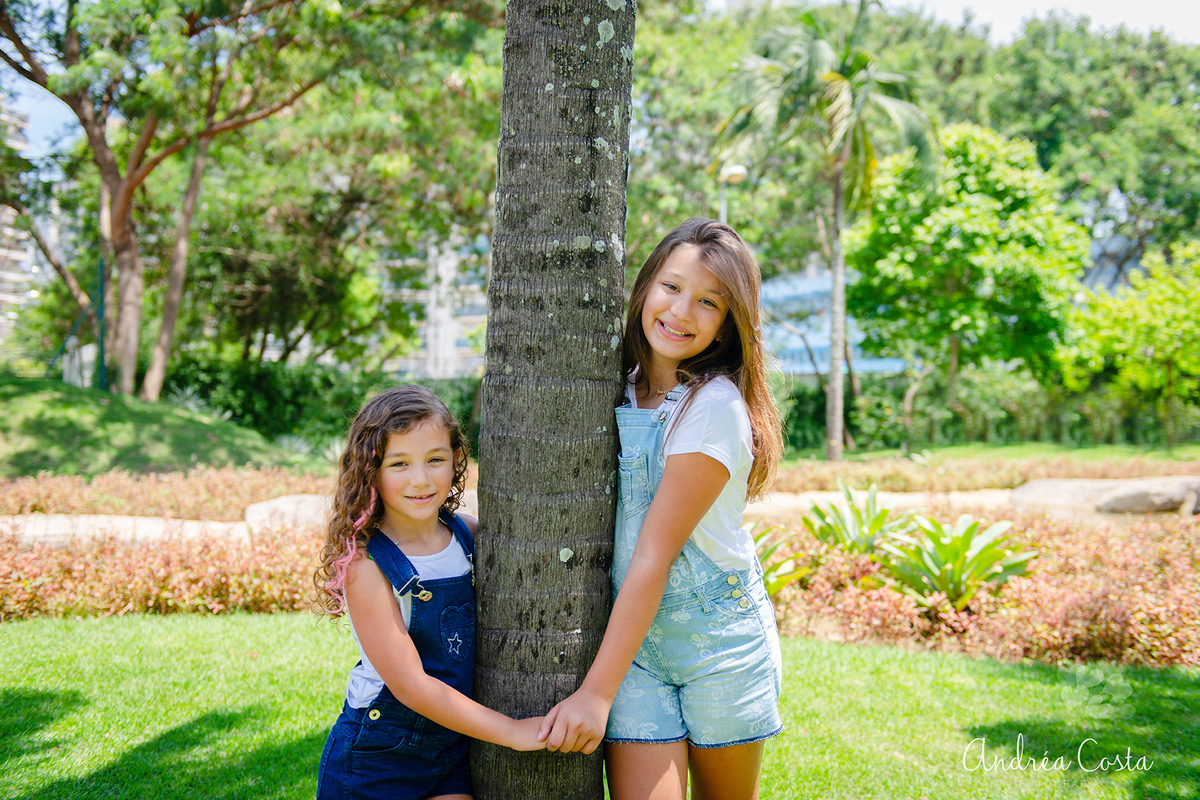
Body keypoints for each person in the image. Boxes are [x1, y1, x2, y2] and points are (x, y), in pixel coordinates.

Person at [539, 218, 785, 799]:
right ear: (646, 287)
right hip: (635, 647)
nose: (681, 311)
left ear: (729, 323)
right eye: (671, 288)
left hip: (718, 642)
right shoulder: (616, 386)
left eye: (708, 302)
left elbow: (653, 555)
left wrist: (595, 695)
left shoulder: (713, 406)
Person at [314, 385, 545, 800]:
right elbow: (412, 686)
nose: (420, 480)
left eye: (434, 460)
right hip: (378, 757)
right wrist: (511, 732)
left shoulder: (466, 535)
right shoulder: (367, 566)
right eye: (399, 463)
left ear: (457, 459)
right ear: (370, 470)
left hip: (451, 747)